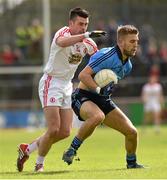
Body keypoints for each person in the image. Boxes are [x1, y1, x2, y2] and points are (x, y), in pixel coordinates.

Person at [17, 7, 106, 172]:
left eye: (86, 24)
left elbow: (99, 60)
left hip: (67, 85)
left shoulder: (88, 42)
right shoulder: (63, 33)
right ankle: (39, 165)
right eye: (80, 23)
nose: (84, 27)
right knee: (53, 129)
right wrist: (85, 35)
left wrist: (108, 71)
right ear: (70, 23)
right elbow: (62, 43)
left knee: (65, 131)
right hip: (51, 82)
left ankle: (27, 149)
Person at [62, 25, 144, 169]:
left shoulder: (128, 66)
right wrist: (98, 89)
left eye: (137, 41)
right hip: (82, 95)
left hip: (102, 99)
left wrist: (104, 91)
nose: (135, 45)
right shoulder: (107, 55)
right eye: (132, 41)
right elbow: (83, 75)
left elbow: (108, 84)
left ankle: (132, 164)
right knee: (97, 117)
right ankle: (71, 150)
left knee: (132, 132)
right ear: (121, 42)